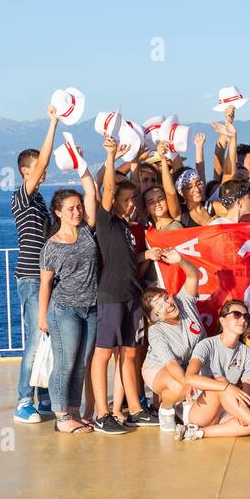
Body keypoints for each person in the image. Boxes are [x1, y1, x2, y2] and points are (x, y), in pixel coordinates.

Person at [87, 136, 157, 434]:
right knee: (103, 353)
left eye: (133, 200)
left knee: (129, 352)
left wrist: (145, 254)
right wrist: (112, 155)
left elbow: (127, 259)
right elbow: (109, 187)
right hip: (111, 295)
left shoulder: (129, 229)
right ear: (114, 201)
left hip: (132, 295)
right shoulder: (106, 220)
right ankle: (102, 413)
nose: (131, 205)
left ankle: (136, 409)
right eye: (126, 200)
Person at [37, 174, 101, 435]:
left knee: (82, 363)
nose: (77, 211)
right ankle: (61, 415)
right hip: (65, 310)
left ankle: (73, 410)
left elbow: (92, 194)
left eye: (79, 207)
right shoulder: (51, 246)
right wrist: (42, 318)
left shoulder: (87, 230)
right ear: (58, 212)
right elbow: (45, 285)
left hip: (92, 308)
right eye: (71, 208)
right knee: (65, 362)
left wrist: (83, 168)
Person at [177, 300, 250, 445]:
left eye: (245, 317)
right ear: (223, 320)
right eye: (236, 315)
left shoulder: (247, 352)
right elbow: (190, 377)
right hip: (202, 408)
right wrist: (228, 387)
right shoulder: (207, 344)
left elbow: (248, 392)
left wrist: (248, 407)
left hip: (227, 409)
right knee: (221, 383)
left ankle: (196, 432)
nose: (242, 319)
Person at [11, 104, 59, 423]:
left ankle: (40, 396)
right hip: (30, 278)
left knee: (46, 339)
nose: (43, 172)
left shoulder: (40, 199)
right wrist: (53, 123)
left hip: (44, 278)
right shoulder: (23, 196)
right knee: (34, 340)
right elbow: (43, 160)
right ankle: (21, 401)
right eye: (38, 168)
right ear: (26, 172)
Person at [141, 249, 207, 428]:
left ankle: (185, 408)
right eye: (159, 306)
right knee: (180, 388)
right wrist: (188, 383)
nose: (168, 304)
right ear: (155, 316)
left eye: (165, 298)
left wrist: (180, 261)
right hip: (159, 367)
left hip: (188, 364)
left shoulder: (183, 301)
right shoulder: (156, 331)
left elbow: (193, 276)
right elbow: (171, 365)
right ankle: (165, 408)